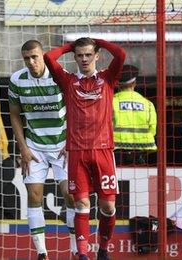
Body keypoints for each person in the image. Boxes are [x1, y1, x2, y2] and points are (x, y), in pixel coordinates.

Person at [44, 37, 126, 260]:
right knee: (81, 204)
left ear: (96, 56)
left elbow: (120, 54)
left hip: (103, 151)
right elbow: (48, 57)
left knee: (108, 207)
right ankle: (82, 254)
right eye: (79, 55)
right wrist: (70, 46)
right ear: (75, 57)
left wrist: (99, 41)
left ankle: (103, 248)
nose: (84, 59)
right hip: (77, 152)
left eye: (89, 54)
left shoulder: (107, 79)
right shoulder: (68, 81)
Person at [8, 40, 77, 259]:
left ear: (43, 56)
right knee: (34, 195)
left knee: (70, 194)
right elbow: (14, 115)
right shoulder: (17, 80)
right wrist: (23, 148)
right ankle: (42, 253)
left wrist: (71, 143)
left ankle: (77, 247)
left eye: (35, 57)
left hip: (61, 146)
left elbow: (75, 109)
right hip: (35, 147)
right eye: (26, 58)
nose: (31, 62)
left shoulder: (59, 76)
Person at [112, 64, 157, 165]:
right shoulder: (148, 104)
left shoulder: (111, 102)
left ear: (118, 84)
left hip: (117, 151)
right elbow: (153, 130)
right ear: (134, 83)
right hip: (141, 150)